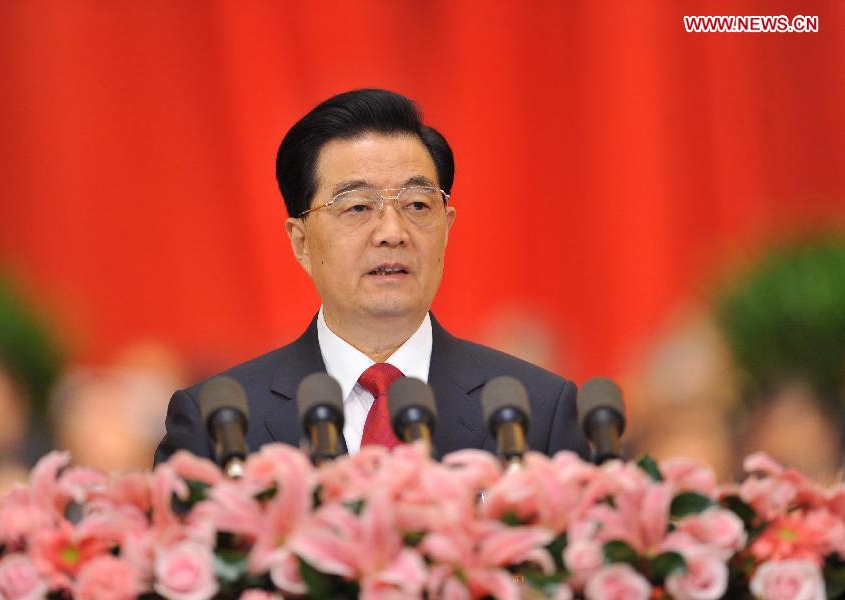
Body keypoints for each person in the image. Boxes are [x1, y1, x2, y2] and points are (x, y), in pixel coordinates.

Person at [154, 89, 589, 464]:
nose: (393, 233)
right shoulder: (219, 423)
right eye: (358, 207)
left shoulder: (538, 412)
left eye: (418, 205)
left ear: (447, 228)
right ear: (301, 241)